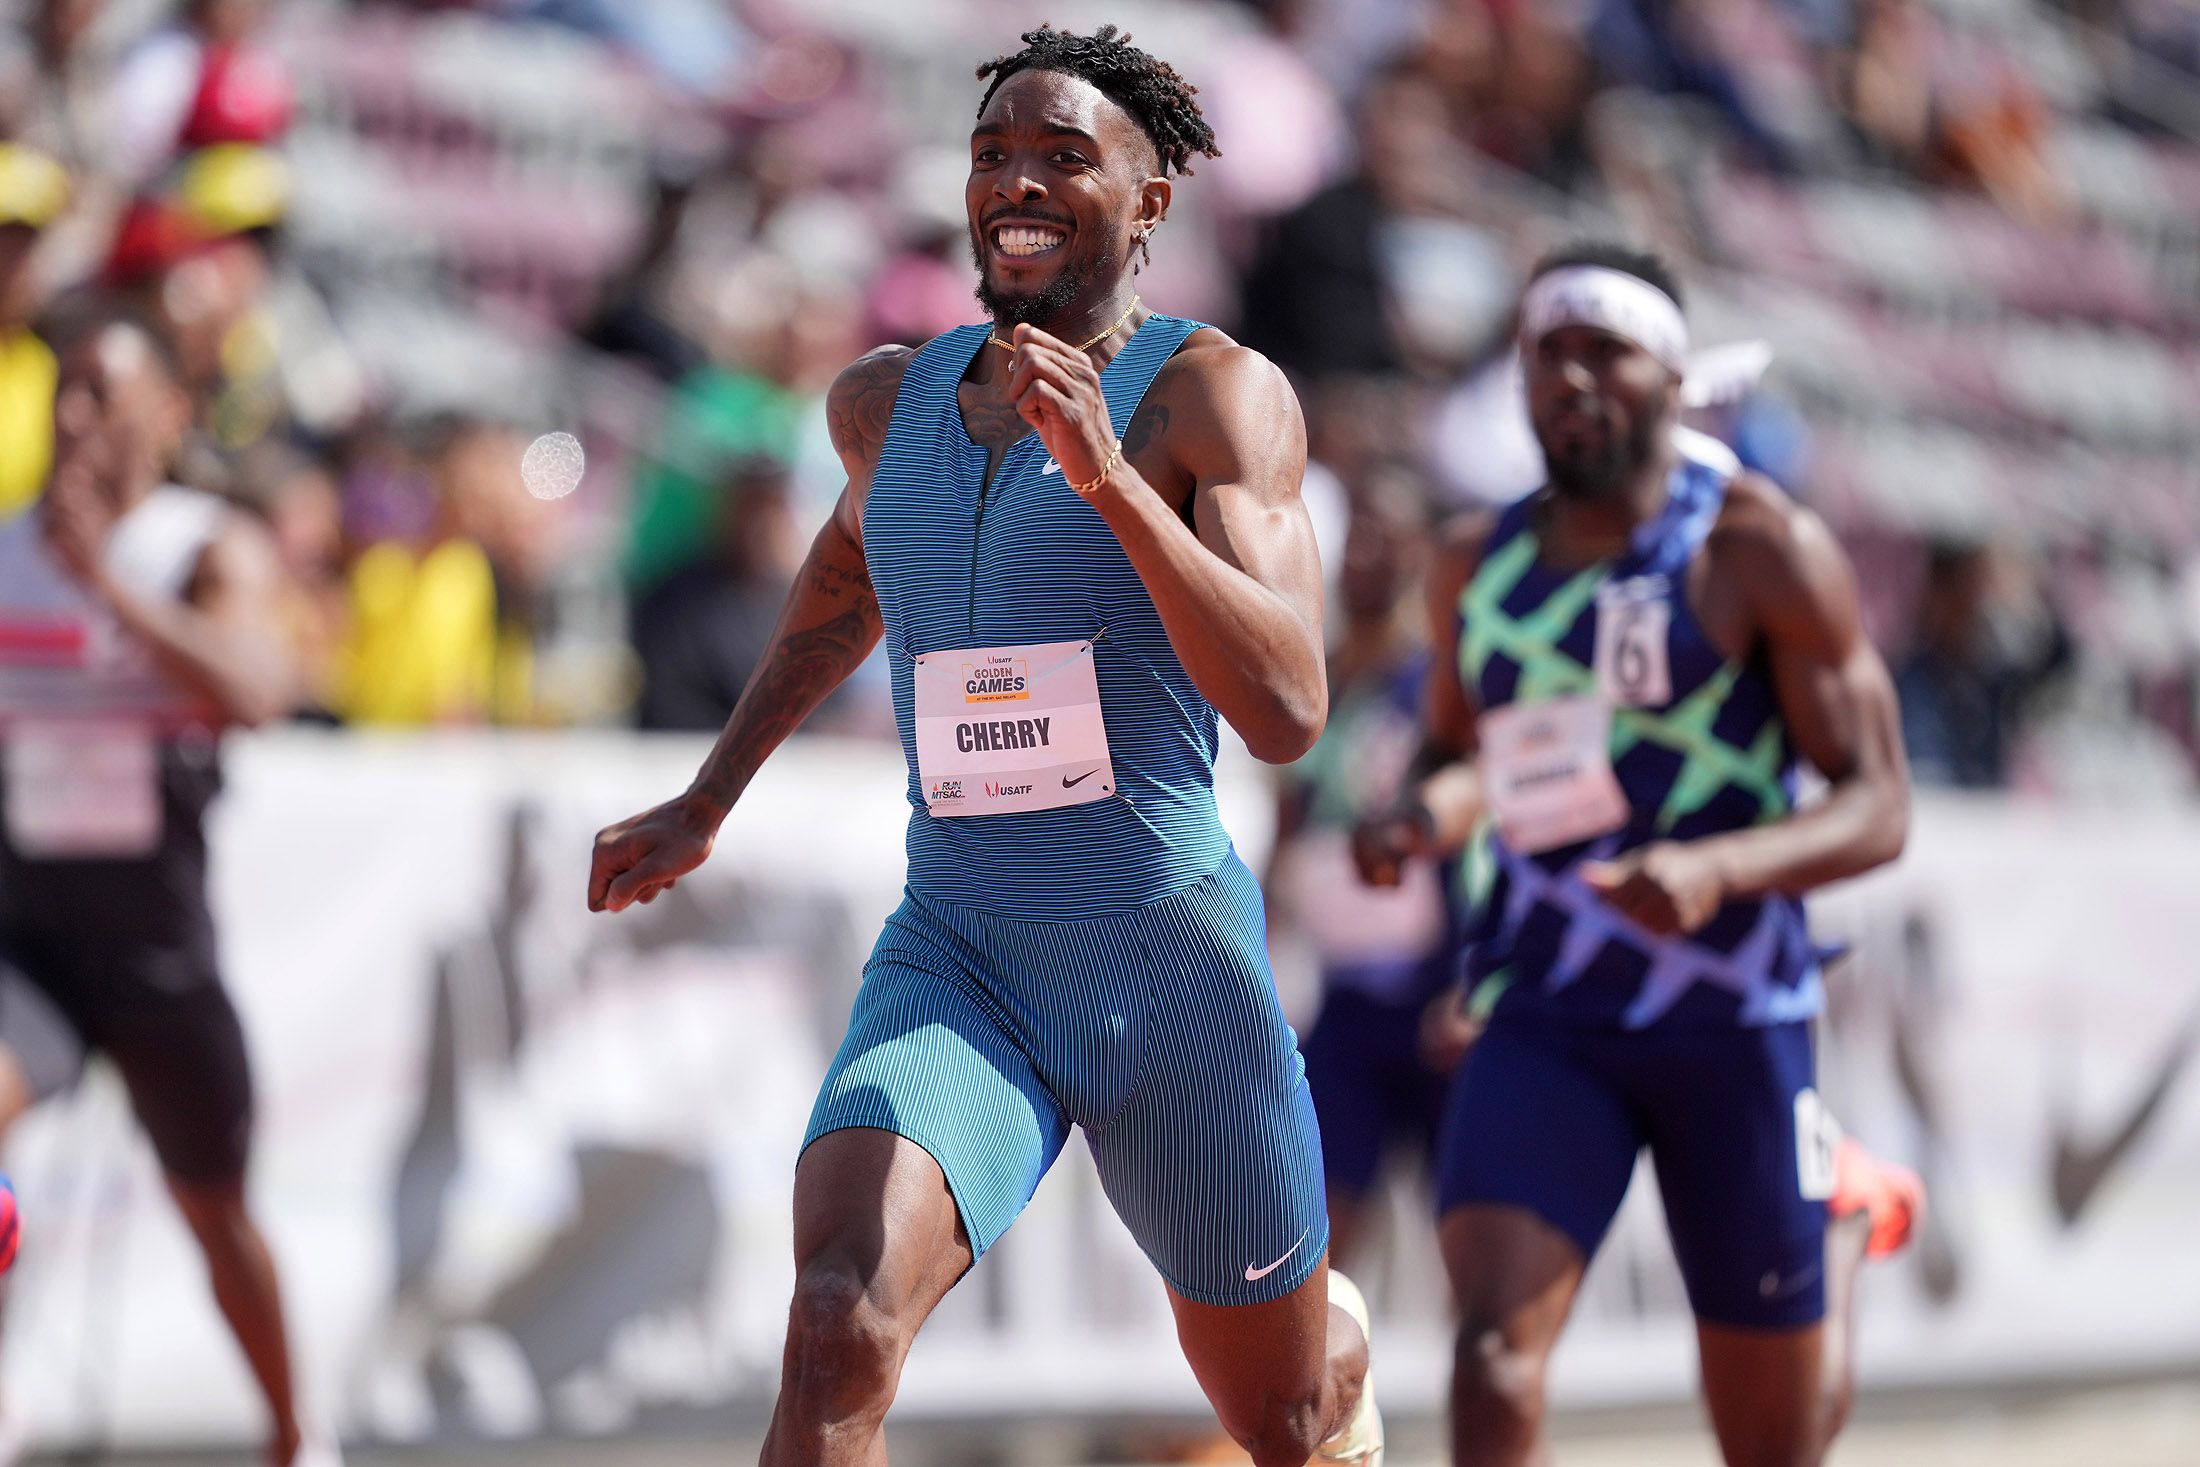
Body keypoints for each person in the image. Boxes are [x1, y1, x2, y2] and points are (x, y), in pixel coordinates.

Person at [588, 24, 1382, 1466]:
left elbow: (1288, 706)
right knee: (838, 1312)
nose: (1017, 180)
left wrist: (1116, 484)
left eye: (1065, 157)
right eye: (993, 153)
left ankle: (1334, 1357)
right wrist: (709, 793)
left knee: (1284, 1419)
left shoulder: (1217, 397)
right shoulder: (885, 405)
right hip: (963, 950)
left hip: (1167, 968)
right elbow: (842, 585)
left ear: (1150, 202)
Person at [1355, 242, 1921, 1467]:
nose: (1568, 379)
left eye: (1600, 351)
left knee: (1775, 1442)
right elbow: (1464, 760)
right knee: (1491, 1355)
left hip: (1731, 1017)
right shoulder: (1474, 566)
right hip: (1548, 1014)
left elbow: (1878, 805)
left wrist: (1721, 871)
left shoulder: (1755, 547)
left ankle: (1837, 1226)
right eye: (1545, 354)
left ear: (1671, 376)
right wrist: (1416, 818)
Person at [0, 311, 335, 1467]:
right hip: (29, 943)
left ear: (169, 416)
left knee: (216, 1212)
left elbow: (257, 688)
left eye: (105, 391)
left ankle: (295, 1436)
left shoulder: (204, 545)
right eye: (66, 391)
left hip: (155, 950)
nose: (76, 415)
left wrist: (104, 584)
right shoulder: (3, 549)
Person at [1268, 473, 1472, 1269]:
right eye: (1357, 534)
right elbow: (1288, 824)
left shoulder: (1438, 688)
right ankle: (1317, 1394)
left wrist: (1474, 973)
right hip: (1347, 998)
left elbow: (1476, 831)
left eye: (1389, 536)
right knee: (1312, 1236)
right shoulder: (1319, 676)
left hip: (1435, 992)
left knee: (1467, 1240)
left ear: (1423, 552)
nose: (1366, 554)